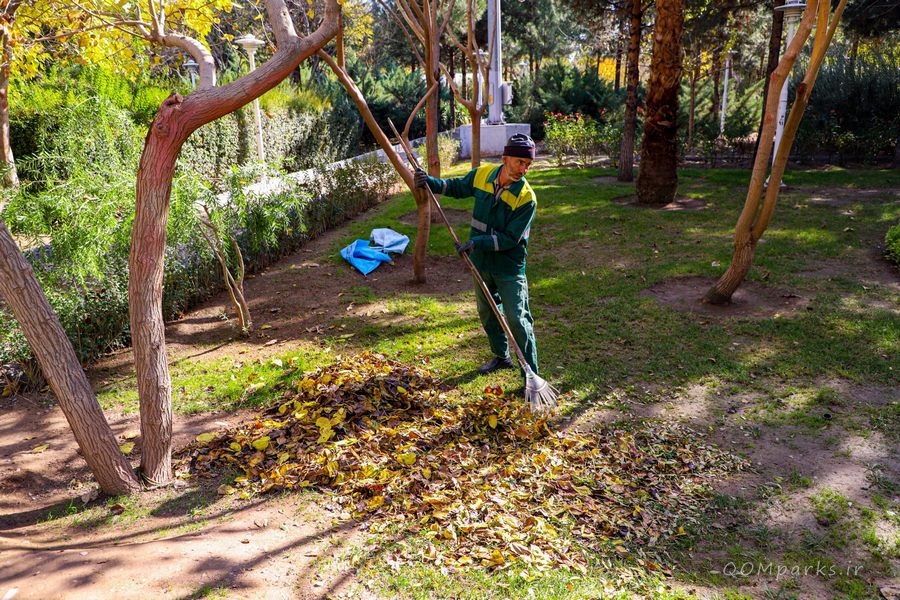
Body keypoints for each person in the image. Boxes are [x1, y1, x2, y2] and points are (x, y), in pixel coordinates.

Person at [414, 133, 540, 376]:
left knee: (517, 319)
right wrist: (430, 182)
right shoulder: (483, 175)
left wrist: (477, 242)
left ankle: (531, 374)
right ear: (505, 158)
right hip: (481, 262)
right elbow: (458, 186)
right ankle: (502, 356)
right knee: (488, 313)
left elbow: (509, 239)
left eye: (528, 164)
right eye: (519, 162)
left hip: (508, 267)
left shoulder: (526, 198)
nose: (523, 169)